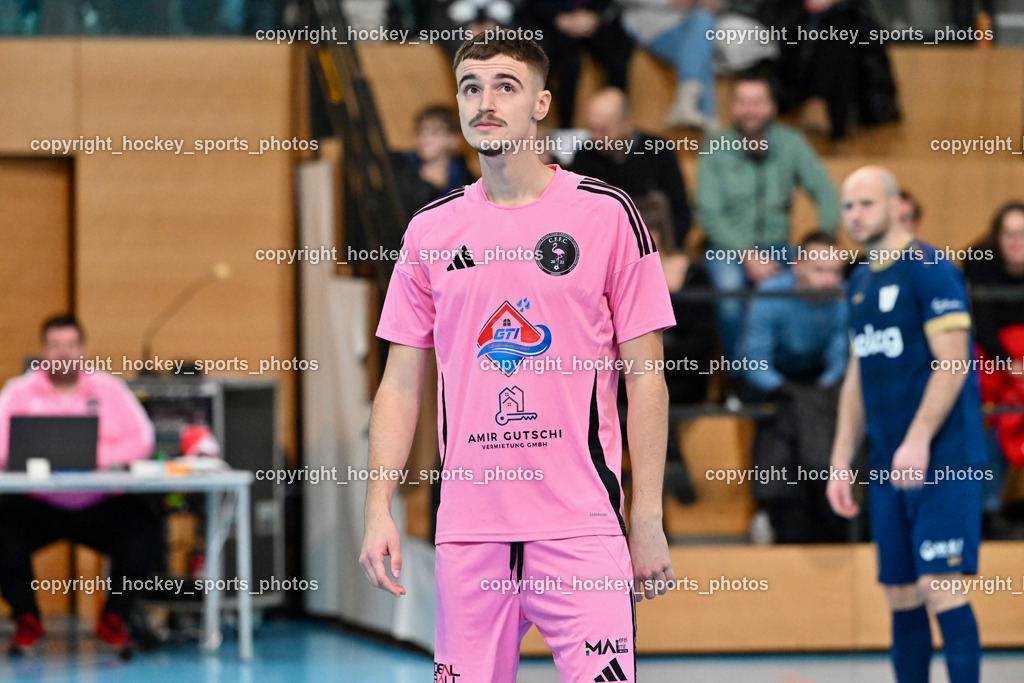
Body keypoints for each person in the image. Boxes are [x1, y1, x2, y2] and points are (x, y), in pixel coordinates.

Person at [359, 35, 676, 681]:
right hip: (470, 534)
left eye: (506, 85)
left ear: (541, 103)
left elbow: (647, 378)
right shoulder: (429, 231)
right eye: (471, 86)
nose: (486, 101)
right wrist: (377, 507)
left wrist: (646, 517)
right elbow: (398, 385)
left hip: (581, 529)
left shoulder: (608, 215)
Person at [828, 167, 985, 683]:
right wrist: (840, 459)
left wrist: (918, 440)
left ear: (896, 207)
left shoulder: (929, 268)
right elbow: (858, 373)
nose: (855, 215)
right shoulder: (859, 280)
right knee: (899, 590)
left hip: (943, 455)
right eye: (848, 206)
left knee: (941, 582)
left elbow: (954, 359)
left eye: (866, 204)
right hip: (886, 457)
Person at [0, 314, 159, 657]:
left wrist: (93, 455)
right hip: (37, 504)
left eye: (71, 346)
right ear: (44, 350)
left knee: (143, 528)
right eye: (56, 346)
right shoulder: (18, 392)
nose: (63, 354)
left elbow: (142, 439)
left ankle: (115, 619)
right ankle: (26, 619)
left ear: (83, 349)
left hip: (100, 503)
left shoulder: (110, 390)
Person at [696, 70, 840, 383]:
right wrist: (746, 254)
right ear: (732, 106)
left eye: (758, 102)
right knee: (731, 299)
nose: (750, 110)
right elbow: (708, 213)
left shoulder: (792, 142)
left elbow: (827, 195)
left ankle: (800, 375)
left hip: (779, 245)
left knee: (808, 285)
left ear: (772, 106)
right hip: (726, 248)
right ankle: (741, 383)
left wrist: (819, 246)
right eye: (742, 102)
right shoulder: (715, 145)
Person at [738, 231, 848, 543]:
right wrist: (790, 391)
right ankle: (794, 505)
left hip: (816, 379)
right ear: (798, 265)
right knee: (787, 414)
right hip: (772, 379)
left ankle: (800, 504)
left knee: (829, 406)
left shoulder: (842, 296)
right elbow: (754, 360)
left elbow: (840, 355)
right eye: (820, 270)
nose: (829, 280)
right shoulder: (770, 294)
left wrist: (819, 389)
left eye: (835, 271)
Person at [635, 191, 715, 505]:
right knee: (640, 388)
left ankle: (668, 465)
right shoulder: (624, 276)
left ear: (659, 232)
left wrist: (661, 354)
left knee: (651, 385)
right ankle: (673, 461)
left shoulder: (694, 274)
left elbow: (701, 342)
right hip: (639, 377)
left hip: (685, 375)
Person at [963, 201, 1024, 534]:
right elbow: (982, 324)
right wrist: (1010, 364)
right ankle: (987, 509)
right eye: (1008, 234)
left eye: (1022, 235)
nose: (1016, 242)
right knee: (987, 411)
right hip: (993, 357)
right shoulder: (979, 261)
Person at [571, 87, 693, 247]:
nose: (596, 137)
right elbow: (575, 213)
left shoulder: (659, 151)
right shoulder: (584, 156)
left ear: (627, 124)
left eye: (603, 130)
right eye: (591, 129)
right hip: (601, 248)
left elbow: (680, 211)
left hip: (655, 248)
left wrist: (661, 248)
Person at [520, 0, 634, 129]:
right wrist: (559, 18)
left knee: (618, 53)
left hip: (591, 19)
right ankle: (560, 126)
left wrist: (595, 15)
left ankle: (615, 118)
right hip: (547, 20)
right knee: (563, 62)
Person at [620, 0, 719, 130]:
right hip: (653, 23)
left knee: (703, 26)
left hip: (693, 22)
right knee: (700, 47)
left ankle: (687, 102)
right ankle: (710, 124)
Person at [390, 105, 475, 227]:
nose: (424, 138)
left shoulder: (467, 181)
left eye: (434, 133)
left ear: (454, 140)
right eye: (420, 132)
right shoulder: (400, 166)